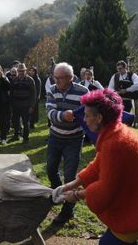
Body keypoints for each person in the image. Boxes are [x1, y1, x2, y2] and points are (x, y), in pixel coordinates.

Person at [60, 89, 138, 244]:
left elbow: (105, 190)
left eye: (87, 115)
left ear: (99, 118)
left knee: (108, 243)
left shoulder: (115, 143)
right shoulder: (115, 132)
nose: (84, 119)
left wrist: (77, 195)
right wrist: (73, 184)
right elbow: (97, 165)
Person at [46, 62, 89, 223]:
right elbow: (50, 112)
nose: (56, 81)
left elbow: (88, 113)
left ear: (70, 78)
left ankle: (67, 211)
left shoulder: (83, 92)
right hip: (55, 137)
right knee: (51, 169)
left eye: (60, 78)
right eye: (55, 77)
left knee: (70, 175)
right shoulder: (52, 90)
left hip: (74, 139)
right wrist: (63, 116)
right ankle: (60, 192)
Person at [9, 63, 36, 144]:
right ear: (18, 71)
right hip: (16, 105)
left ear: (25, 71)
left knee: (25, 122)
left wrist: (32, 106)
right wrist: (11, 105)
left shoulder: (30, 80)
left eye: (22, 71)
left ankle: (26, 138)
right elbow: (11, 93)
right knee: (16, 122)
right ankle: (16, 136)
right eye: (19, 71)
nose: (21, 72)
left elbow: (33, 94)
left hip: (26, 105)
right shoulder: (14, 80)